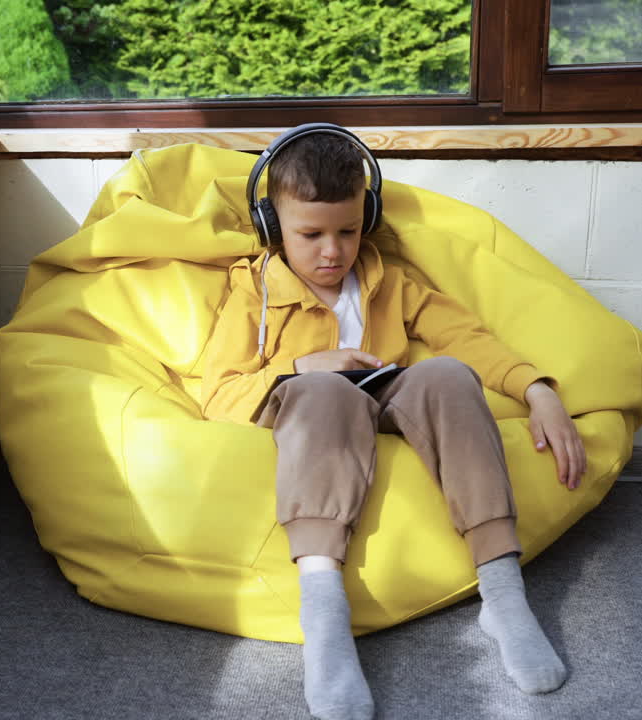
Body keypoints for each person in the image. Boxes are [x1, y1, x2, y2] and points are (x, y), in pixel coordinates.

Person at [199, 125, 587, 720]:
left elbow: (466, 335)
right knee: (325, 391)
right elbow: (219, 394)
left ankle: (503, 593)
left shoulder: (390, 281)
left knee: (450, 374)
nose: (333, 251)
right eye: (310, 234)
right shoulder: (253, 291)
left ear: (368, 217)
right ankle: (325, 614)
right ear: (274, 227)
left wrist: (537, 390)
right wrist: (302, 365)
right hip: (313, 404)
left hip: (387, 390)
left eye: (348, 231)